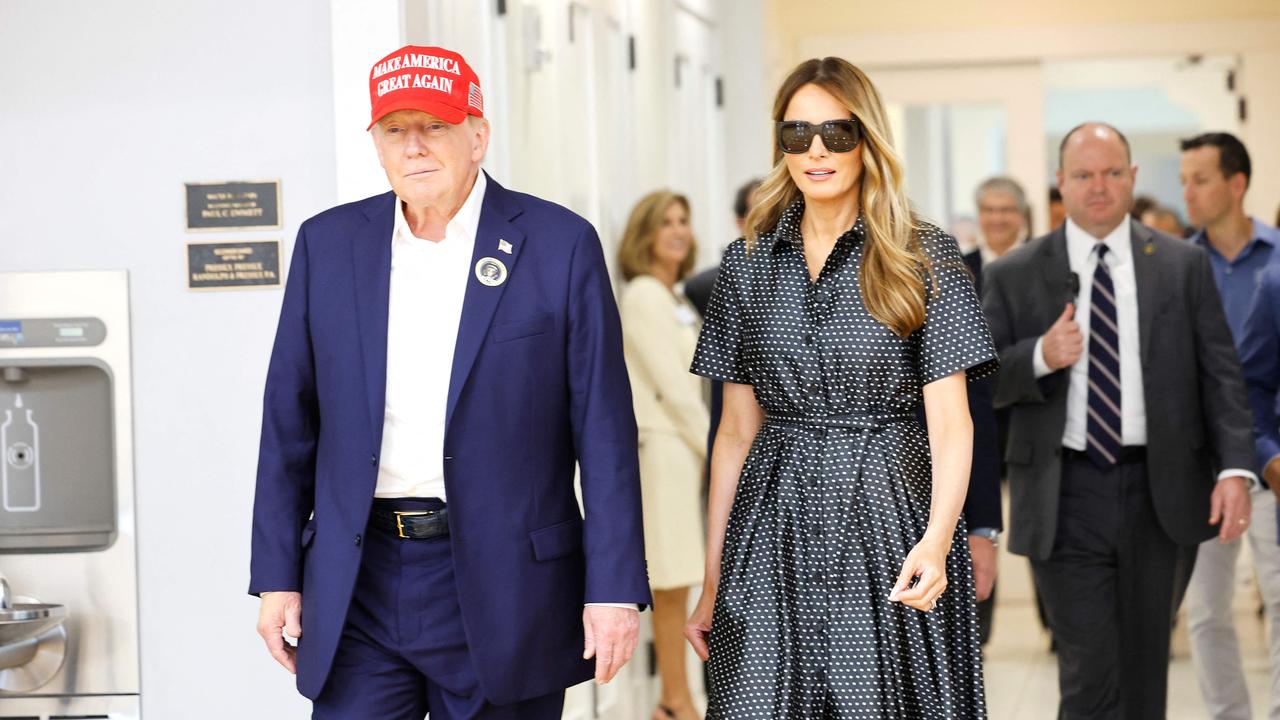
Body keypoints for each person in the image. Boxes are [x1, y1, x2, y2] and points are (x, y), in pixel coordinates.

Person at [248, 45, 649, 719]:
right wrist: (276, 576)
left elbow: (604, 433)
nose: (414, 147)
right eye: (394, 130)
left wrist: (613, 588)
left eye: (433, 125)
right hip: (360, 581)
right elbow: (289, 421)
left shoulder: (558, 245)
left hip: (505, 582)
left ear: (477, 134)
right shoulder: (329, 245)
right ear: (374, 144)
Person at [684, 56, 997, 717]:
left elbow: (951, 423)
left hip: (892, 516)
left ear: (868, 139)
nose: (816, 151)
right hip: (772, 524)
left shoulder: (924, 255)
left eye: (836, 133)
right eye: (797, 135)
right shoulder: (744, 266)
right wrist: (713, 577)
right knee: (757, 701)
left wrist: (939, 541)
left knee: (883, 703)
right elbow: (734, 434)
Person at [982, 122, 1257, 719]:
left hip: (1160, 493)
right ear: (1060, 184)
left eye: (1112, 173)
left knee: (1142, 670)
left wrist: (1235, 467)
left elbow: (1221, 376)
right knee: (1088, 670)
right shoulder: (1015, 272)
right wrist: (1038, 356)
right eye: (1083, 175)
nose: (1099, 187)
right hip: (1066, 494)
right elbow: (978, 383)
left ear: (1132, 178)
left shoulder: (1182, 265)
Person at [1179, 131, 1280, 720]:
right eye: (1185, 179)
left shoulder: (1278, 260)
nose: (1187, 192)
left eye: (1201, 179)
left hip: (1270, 457)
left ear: (1236, 184)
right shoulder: (1178, 266)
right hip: (1203, 466)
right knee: (1208, 610)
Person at [617, 191, 710, 720]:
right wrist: (716, 450)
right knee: (671, 582)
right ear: (644, 235)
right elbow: (673, 388)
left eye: (684, 220)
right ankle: (676, 701)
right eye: (665, 223)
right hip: (664, 449)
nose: (678, 230)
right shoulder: (644, 297)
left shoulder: (672, 296)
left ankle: (675, 699)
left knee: (679, 578)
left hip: (681, 449)